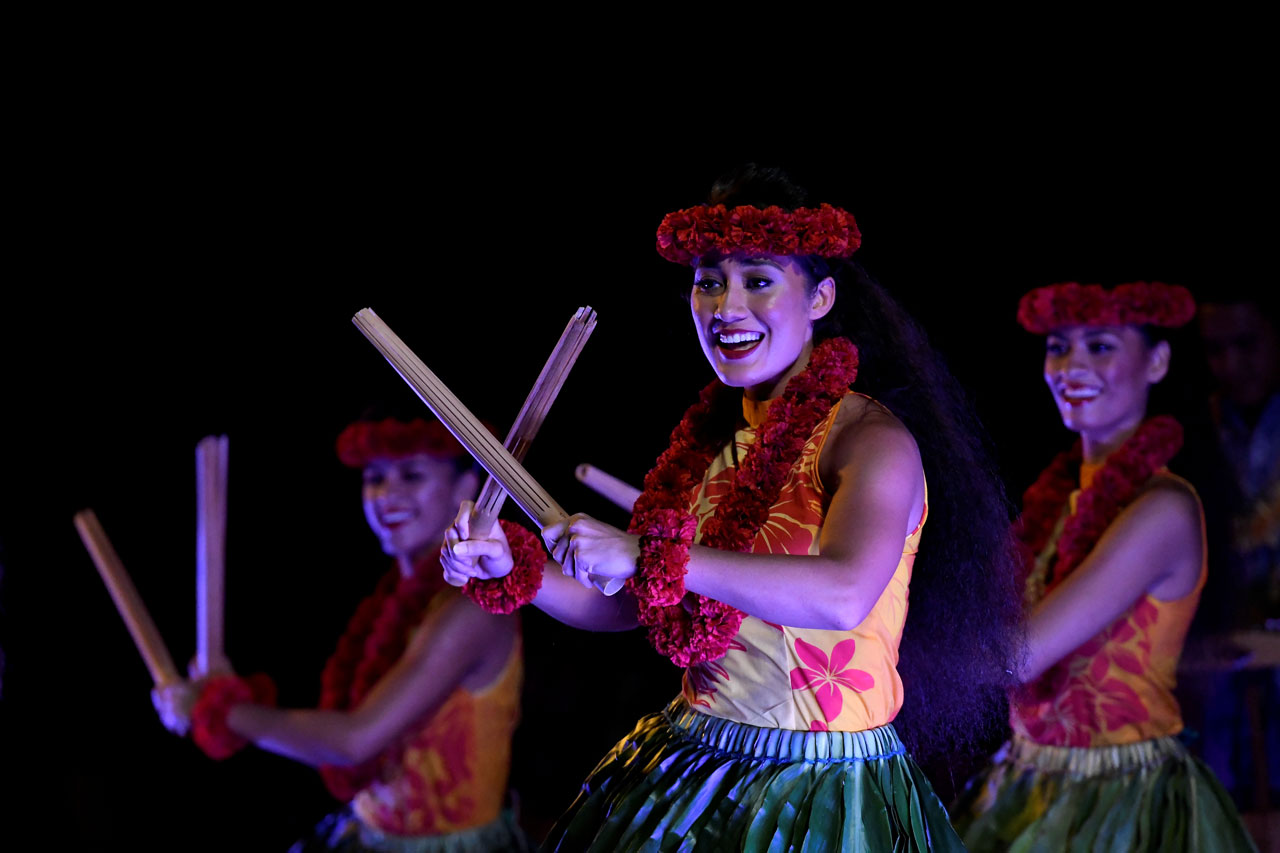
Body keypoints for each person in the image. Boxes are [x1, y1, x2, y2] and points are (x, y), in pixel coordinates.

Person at [442, 164, 1022, 851]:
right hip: (693, 759)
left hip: (827, 788)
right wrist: (517, 564)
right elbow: (631, 602)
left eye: (759, 280)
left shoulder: (870, 439)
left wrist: (651, 554)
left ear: (821, 296)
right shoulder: (713, 441)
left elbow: (843, 594)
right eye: (709, 281)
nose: (726, 306)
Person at [951, 282, 1257, 851]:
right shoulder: (1060, 499)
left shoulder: (1162, 508)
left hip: (1125, 794)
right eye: (1059, 347)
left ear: (1158, 361)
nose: (1072, 366)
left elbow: (1017, 654)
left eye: (1100, 346)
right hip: (1029, 776)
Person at [153, 416, 533, 852]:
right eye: (374, 477)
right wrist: (219, 693)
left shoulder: (471, 607)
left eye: (411, 474)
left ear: (465, 488)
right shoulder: (397, 594)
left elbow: (353, 740)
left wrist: (218, 710)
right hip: (368, 831)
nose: (387, 494)